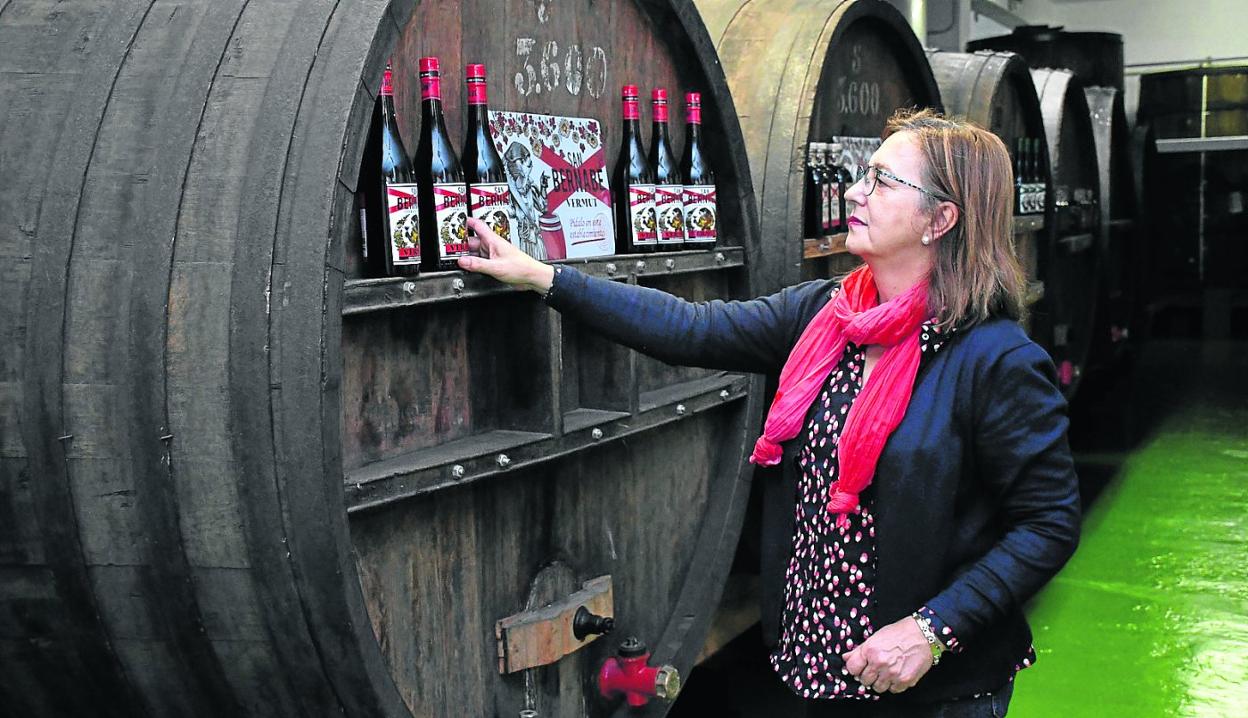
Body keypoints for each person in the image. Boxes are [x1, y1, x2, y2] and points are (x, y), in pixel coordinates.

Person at [457, 108, 1080, 716]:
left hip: (932, 686)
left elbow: (1048, 524)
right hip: (818, 665)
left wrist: (930, 631)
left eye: (883, 181)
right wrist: (544, 277)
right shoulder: (826, 315)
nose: (856, 191)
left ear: (939, 219)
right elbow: (692, 330)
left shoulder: (996, 360)